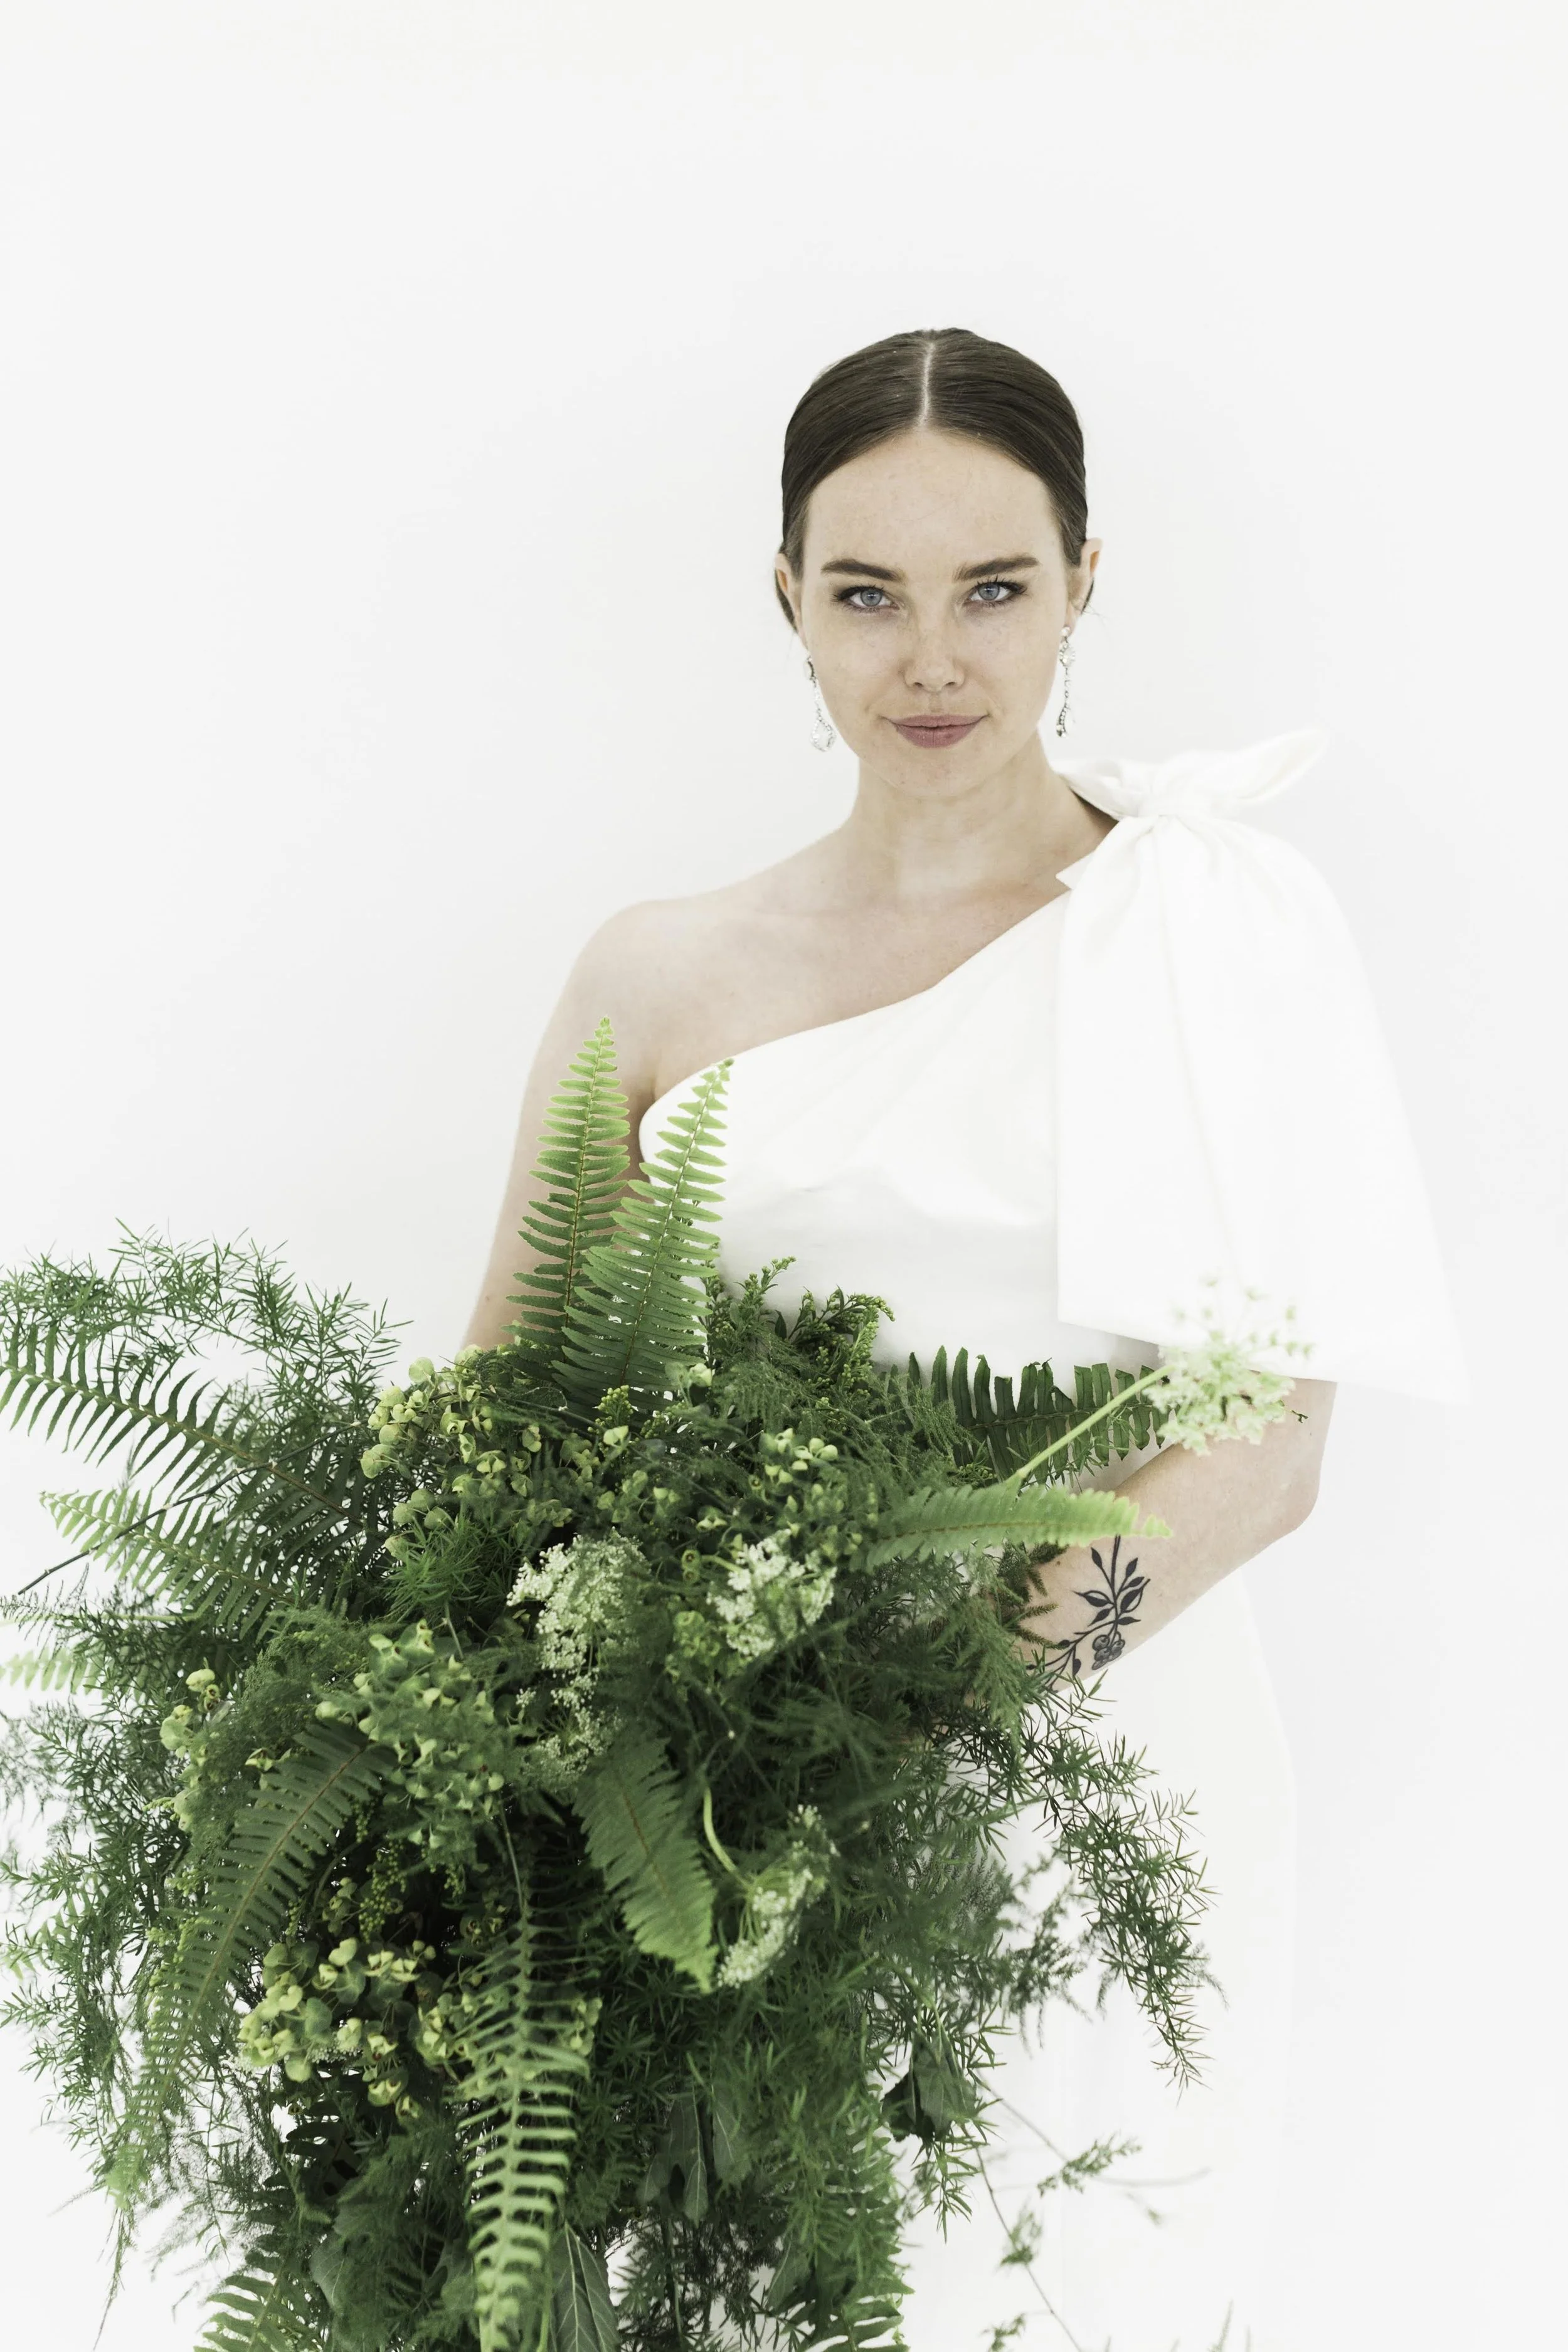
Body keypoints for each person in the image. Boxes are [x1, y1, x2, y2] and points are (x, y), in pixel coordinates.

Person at [464, 329, 1464, 2350]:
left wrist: (915, 1738)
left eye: (992, 589)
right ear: (785, 599)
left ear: (1084, 580)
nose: (930, 659)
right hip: (709, 1811)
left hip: (1105, 1775)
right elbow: (502, 1423)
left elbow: (1266, 1445)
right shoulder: (660, 971)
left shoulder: (1214, 925)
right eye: (866, 595)